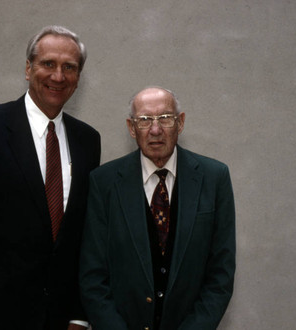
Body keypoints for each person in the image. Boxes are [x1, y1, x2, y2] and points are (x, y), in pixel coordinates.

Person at [0, 25, 101, 330]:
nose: (58, 76)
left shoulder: (88, 140)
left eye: (69, 67)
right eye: (48, 64)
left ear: (78, 78)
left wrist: (80, 316)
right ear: (28, 69)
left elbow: (84, 239)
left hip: (61, 320)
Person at [79, 87, 235, 330]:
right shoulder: (104, 182)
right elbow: (92, 275)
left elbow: (220, 276)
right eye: (144, 120)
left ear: (180, 123)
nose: (155, 129)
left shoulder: (214, 178)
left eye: (165, 118)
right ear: (131, 128)